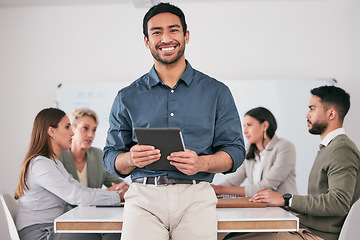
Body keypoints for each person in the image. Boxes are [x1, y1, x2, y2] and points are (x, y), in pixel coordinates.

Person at [102, 2, 246, 240]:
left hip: (196, 196)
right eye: (156, 32)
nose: (166, 38)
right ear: (147, 41)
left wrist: (202, 163)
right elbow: (110, 156)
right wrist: (129, 158)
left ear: (186, 36)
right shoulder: (127, 96)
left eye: (173, 30)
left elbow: (235, 151)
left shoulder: (217, 92)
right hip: (144, 197)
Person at [231, 85, 360, 240]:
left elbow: (339, 202)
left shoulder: (341, 149)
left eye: (312, 109)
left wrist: (286, 199)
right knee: (231, 235)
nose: (307, 114)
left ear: (330, 113)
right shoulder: (329, 148)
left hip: (316, 235)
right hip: (303, 227)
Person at [15, 108, 121, 240]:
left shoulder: (54, 163)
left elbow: (80, 189)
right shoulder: (40, 165)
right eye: (67, 127)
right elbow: (77, 196)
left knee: (111, 229)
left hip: (50, 228)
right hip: (40, 233)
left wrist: (116, 195)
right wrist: (117, 196)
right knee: (109, 230)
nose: (72, 132)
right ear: (51, 131)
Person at [212, 107, 298, 198]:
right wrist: (212, 189)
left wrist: (220, 189)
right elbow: (233, 182)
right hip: (262, 209)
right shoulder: (249, 150)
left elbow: (266, 187)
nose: (245, 131)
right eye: (244, 126)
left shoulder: (285, 147)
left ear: (265, 126)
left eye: (249, 125)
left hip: (285, 209)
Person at [58, 108, 129, 212]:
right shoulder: (59, 157)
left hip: (92, 217)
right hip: (64, 217)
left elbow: (118, 184)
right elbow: (68, 196)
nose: (91, 135)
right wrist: (108, 192)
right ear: (72, 129)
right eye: (85, 128)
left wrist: (122, 188)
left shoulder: (97, 155)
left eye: (94, 130)